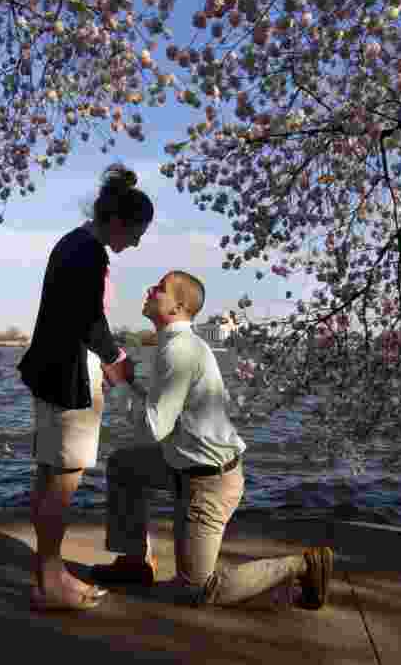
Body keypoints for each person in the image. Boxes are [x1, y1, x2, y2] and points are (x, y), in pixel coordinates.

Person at [91, 271, 334, 610]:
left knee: (195, 590)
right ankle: (134, 563)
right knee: (123, 466)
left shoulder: (179, 351)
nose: (149, 289)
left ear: (177, 306)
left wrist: (119, 384)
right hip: (184, 466)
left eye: (158, 288)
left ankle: (303, 565)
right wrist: (131, 383)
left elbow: (152, 429)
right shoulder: (175, 346)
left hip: (208, 484)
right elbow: (165, 415)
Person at [18, 164, 154, 611]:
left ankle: (49, 572)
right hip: (69, 377)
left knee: (49, 476)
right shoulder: (88, 251)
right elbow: (88, 320)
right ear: (118, 221)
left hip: (53, 372)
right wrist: (117, 361)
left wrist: (109, 358)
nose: (136, 242)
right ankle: (51, 580)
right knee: (63, 479)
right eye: (137, 231)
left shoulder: (72, 244)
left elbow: (81, 316)